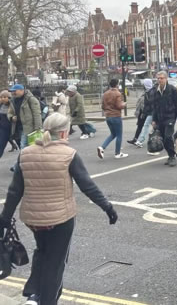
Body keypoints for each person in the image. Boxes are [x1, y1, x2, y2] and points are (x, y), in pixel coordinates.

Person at [0, 113, 118, 305]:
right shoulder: (69, 155)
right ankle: (47, 300)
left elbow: (15, 191)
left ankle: (33, 294)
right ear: (63, 133)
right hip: (60, 219)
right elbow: (87, 185)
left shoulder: (26, 153)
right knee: (56, 263)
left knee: (42, 250)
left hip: (33, 219)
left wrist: (4, 218)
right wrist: (108, 207)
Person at [151, 71, 177, 167]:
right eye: (158, 78)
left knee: (168, 137)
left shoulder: (172, 89)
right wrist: (154, 119)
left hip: (170, 117)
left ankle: (172, 156)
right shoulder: (155, 91)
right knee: (163, 139)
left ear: (166, 79)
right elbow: (154, 106)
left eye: (162, 78)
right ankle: (170, 155)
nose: (160, 80)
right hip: (160, 118)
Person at [97, 79, 128, 159]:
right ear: (117, 85)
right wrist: (124, 104)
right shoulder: (117, 93)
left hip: (108, 116)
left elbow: (103, 106)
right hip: (116, 116)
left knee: (113, 134)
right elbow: (119, 106)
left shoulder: (105, 93)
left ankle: (102, 147)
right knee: (119, 135)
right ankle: (117, 153)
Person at [8, 84, 43, 150]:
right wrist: (11, 117)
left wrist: (38, 128)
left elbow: (37, 114)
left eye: (15, 91)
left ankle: (22, 160)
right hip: (17, 128)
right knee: (23, 146)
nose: (13, 93)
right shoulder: (13, 100)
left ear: (22, 90)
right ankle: (24, 159)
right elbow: (9, 112)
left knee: (23, 146)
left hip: (28, 127)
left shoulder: (31, 99)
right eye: (12, 91)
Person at [128, 78, 154, 148]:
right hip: (144, 112)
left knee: (154, 127)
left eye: (144, 84)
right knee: (141, 126)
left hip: (148, 112)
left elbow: (147, 103)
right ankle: (137, 139)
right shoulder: (145, 92)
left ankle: (140, 140)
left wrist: (144, 112)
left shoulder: (151, 92)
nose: (143, 85)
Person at [0, 90, 11, 159]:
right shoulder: (1, 105)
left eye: (4, 97)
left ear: (9, 97)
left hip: (13, 129)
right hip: (3, 129)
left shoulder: (13, 105)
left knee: (22, 147)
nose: (2, 98)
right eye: (1, 97)